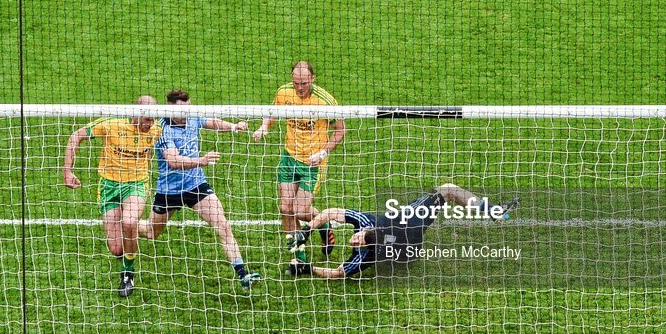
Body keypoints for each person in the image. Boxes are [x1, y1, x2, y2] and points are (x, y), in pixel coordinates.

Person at [137, 89, 261, 289]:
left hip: (196, 186)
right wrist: (201, 161)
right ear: (169, 108)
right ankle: (125, 226)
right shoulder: (160, 129)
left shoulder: (192, 116)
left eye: (188, 109)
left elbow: (210, 121)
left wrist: (233, 127)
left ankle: (242, 273)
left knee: (222, 225)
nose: (186, 113)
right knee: (151, 232)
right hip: (170, 191)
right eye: (181, 110)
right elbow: (173, 161)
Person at [287, 184, 519, 279]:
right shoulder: (368, 223)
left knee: (444, 192)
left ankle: (491, 210)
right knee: (445, 190)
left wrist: (307, 269)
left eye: (355, 241)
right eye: (357, 239)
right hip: (408, 229)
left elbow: (338, 272)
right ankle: (490, 210)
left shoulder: (365, 256)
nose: (353, 241)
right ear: (366, 231)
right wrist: (307, 229)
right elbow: (329, 213)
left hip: (407, 249)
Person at [251, 61, 346, 274]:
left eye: (303, 83)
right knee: (285, 208)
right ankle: (298, 259)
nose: (299, 87)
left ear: (312, 79)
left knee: (301, 210)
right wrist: (264, 127)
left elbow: (340, 130)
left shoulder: (325, 101)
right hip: (289, 158)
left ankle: (323, 224)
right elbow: (273, 113)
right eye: (296, 83)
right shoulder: (284, 92)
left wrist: (323, 152)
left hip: (313, 163)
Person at [63, 95, 162, 297]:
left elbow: (147, 153)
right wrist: (67, 171)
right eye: (147, 119)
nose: (150, 124)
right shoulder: (111, 125)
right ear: (135, 114)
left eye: (153, 119)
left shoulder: (156, 129)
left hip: (136, 184)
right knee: (116, 249)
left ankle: (128, 274)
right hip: (109, 186)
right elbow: (76, 136)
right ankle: (134, 241)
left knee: (129, 222)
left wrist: (147, 181)